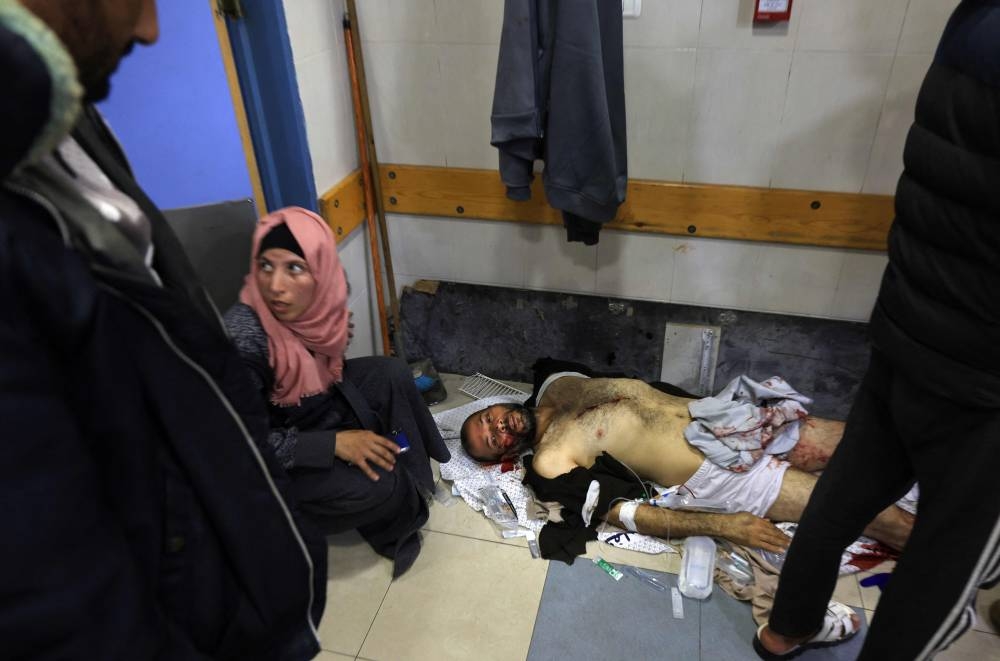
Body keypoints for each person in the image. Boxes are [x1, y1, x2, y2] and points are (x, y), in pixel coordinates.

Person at [0, 1, 324, 659]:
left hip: (224, 577)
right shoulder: (247, 331)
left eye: (299, 268)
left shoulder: (70, 126)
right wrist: (330, 444)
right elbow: (54, 594)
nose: (152, 29)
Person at [754, 3, 1000, 659]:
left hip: (908, 329)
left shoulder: (974, 19)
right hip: (981, 376)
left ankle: (786, 627)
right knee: (941, 569)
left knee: (841, 498)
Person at [459, 364, 913, 557]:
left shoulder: (559, 383)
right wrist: (724, 526)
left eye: (487, 419)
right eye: (494, 441)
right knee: (879, 515)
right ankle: (949, 565)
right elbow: (619, 512)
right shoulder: (549, 461)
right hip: (719, 474)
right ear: (506, 455)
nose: (499, 428)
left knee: (887, 447)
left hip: (732, 420)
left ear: (493, 404)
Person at [224, 206, 451, 577]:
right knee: (380, 482)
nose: (275, 285)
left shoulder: (320, 300)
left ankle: (413, 483)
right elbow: (237, 445)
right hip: (261, 460)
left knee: (391, 374)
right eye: (265, 266)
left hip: (304, 409)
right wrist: (332, 443)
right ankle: (368, 505)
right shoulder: (244, 342)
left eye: (294, 268)